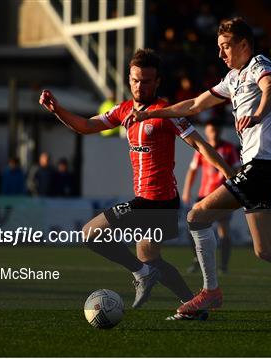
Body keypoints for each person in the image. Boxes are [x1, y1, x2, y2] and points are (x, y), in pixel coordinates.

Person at [129, 18, 271, 322]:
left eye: (225, 47)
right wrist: (153, 113)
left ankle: (211, 291)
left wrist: (259, 114)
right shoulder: (232, 77)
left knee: (197, 216)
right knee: (267, 249)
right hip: (262, 168)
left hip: (261, 166)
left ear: (243, 45)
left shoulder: (260, 64)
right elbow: (195, 104)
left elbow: (270, 88)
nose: (221, 54)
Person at [39, 48, 235, 319]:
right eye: (135, 80)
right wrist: (57, 109)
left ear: (157, 82)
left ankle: (142, 275)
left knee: (90, 234)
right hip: (149, 200)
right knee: (151, 259)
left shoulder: (166, 112)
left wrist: (227, 171)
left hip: (158, 202)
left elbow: (199, 144)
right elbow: (85, 125)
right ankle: (193, 306)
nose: (139, 86)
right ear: (128, 78)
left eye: (145, 81)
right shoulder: (123, 110)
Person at [182, 120, 240, 274]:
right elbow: (192, 170)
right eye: (211, 129)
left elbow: (237, 169)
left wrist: (235, 190)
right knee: (192, 226)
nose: (214, 131)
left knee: (223, 230)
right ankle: (197, 260)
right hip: (204, 194)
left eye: (216, 129)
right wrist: (187, 190)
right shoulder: (202, 148)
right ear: (207, 131)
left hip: (223, 194)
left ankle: (224, 266)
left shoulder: (229, 148)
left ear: (220, 130)